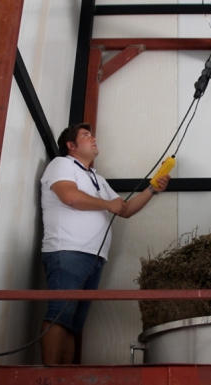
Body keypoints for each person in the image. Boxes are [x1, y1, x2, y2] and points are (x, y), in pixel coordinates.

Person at [39, 122, 170, 365]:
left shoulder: (96, 177)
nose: (93, 138)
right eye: (86, 135)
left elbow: (125, 209)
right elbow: (69, 196)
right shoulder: (62, 164)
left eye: (92, 134)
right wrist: (107, 204)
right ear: (71, 145)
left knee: (72, 324)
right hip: (67, 250)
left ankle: (64, 377)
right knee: (59, 314)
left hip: (93, 257)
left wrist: (152, 190)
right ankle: (47, 377)